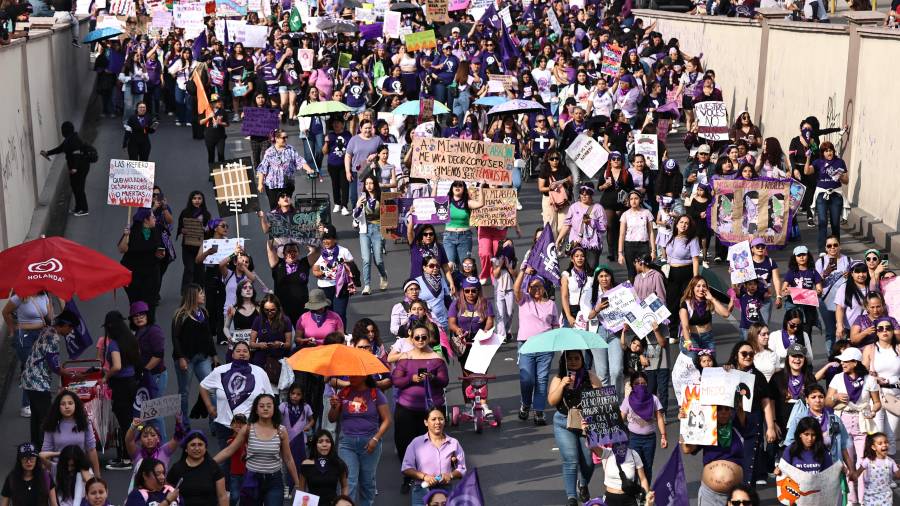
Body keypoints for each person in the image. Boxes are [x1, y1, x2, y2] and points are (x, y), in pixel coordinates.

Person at [391, 322, 450, 493]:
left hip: (431, 408)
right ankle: (409, 476)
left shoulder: (437, 358)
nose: (420, 340)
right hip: (407, 408)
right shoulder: (405, 357)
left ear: (428, 338)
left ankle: (431, 477)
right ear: (412, 338)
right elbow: (397, 381)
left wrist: (431, 377)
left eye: (424, 337)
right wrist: (412, 379)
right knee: (404, 443)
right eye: (417, 337)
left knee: (432, 444)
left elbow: (444, 381)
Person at [213, 393, 302, 505]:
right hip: (252, 479)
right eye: (262, 406)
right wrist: (208, 463)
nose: (265, 408)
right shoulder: (248, 429)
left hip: (274, 481)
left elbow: (288, 459)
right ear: (256, 409)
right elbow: (229, 450)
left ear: (274, 409)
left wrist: (298, 483)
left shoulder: (281, 431)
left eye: (269, 406)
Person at [199, 341, 274, 459]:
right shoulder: (220, 371)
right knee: (225, 462)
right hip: (225, 425)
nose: (242, 354)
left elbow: (269, 398)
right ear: (232, 354)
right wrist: (209, 407)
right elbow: (203, 386)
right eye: (238, 351)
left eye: (245, 351)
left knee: (250, 461)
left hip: (252, 426)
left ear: (249, 355)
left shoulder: (259, 372)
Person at [826, 346, 881, 504]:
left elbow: (877, 403)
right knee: (847, 463)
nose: (842, 363)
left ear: (855, 363)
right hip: (842, 421)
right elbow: (827, 401)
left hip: (862, 423)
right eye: (841, 361)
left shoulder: (869, 380)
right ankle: (851, 499)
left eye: (846, 361)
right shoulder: (837, 378)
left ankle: (864, 499)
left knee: (862, 461)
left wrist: (872, 411)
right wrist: (835, 396)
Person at [547, 350, 602, 505]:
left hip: (586, 424)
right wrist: (562, 385)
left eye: (576, 358)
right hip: (563, 422)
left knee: (589, 463)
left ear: (582, 360)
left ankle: (582, 485)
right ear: (564, 361)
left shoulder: (590, 376)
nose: (573, 361)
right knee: (571, 459)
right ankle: (571, 497)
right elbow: (551, 401)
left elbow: (602, 399)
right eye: (569, 359)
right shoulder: (558, 378)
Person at [328, 373, 391, 506]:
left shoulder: (376, 393)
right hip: (347, 443)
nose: (351, 377)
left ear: (364, 376)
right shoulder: (343, 393)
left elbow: (387, 420)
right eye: (350, 375)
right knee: (349, 481)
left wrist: (375, 438)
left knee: (367, 482)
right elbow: (332, 418)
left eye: (355, 375)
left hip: (370, 443)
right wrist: (334, 407)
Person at [21, 310, 77, 449]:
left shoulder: (48, 330)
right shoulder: (53, 337)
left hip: (29, 379)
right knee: (46, 418)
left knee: (36, 418)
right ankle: (45, 450)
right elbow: (55, 366)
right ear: (65, 325)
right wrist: (71, 375)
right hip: (38, 381)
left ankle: (36, 448)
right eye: (70, 328)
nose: (70, 331)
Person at [680, 393, 748, 505]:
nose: (723, 412)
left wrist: (738, 395)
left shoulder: (737, 426)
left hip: (735, 496)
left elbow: (741, 409)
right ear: (714, 410)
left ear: (731, 411)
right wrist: (685, 424)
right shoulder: (706, 430)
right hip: (709, 495)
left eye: (727, 408)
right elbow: (687, 449)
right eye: (720, 409)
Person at [725, 341, 777, 486]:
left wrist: (771, 427)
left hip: (753, 421)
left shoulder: (758, 376)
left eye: (751, 354)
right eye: (744, 354)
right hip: (730, 421)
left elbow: (765, 403)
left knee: (750, 461)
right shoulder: (726, 372)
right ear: (736, 355)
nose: (748, 356)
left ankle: (748, 493)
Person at [171, 284, 218, 431]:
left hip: (202, 357)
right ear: (193, 296)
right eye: (201, 293)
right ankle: (183, 424)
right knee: (184, 392)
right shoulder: (181, 315)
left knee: (211, 388)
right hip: (187, 358)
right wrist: (181, 358)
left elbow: (208, 335)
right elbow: (175, 338)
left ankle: (215, 422)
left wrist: (214, 354)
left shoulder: (203, 312)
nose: (203, 296)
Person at [99, 310, 141, 471]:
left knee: (124, 421)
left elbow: (116, 366)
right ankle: (132, 453)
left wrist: (106, 377)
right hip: (131, 382)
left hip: (120, 385)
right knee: (131, 419)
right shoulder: (131, 339)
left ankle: (126, 457)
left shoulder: (115, 344)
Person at [401, 407, 467, 506]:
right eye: (433, 419)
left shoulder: (453, 443)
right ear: (426, 422)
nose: (438, 422)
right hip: (422, 490)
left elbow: (462, 469)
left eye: (441, 419)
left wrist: (450, 475)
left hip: (445, 490)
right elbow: (406, 468)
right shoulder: (416, 443)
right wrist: (424, 477)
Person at [2, 290, 52, 418]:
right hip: (25, 336)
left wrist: (51, 302)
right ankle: (26, 405)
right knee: (31, 368)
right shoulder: (20, 296)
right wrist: (13, 330)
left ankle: (40, 401)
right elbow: (5, 312)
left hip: (41, 334)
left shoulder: (44, 295)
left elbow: (49, 317)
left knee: (41, 367)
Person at [39, 391, 101, 477]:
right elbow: (46, 451)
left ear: (76, 405)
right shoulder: (52, 424)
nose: (67, 407)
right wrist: (44, 479)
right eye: (63, 404)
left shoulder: (84, 423)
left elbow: (91, 449)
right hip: (58, 468)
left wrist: (97, 475)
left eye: (70, 403)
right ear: (58, 407)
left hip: (81, 468)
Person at [863, 316, 900, 455]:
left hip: (894, 395)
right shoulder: (870, 349)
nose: (885, 331)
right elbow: (862, 370)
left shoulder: (898, 348)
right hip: (876, 395)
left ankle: (889, 468)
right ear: (876, 332)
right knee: (877, 434)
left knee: (891, 436)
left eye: (888, 328)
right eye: (881, 328)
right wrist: (874, 377)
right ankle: (876, 466)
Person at [804, 141, 848, 253]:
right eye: (826, 151)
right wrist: (808, 158)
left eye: (830, 150)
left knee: (835, 223)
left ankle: (835, 248)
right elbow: (807, 171)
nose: (829, 153)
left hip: (836, 195)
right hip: (822, 194)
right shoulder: (818, 162)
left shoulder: (840, 162)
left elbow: (846, 181)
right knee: (822, 221)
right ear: (822, 153)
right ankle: (822, 249)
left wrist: (840, 176)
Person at [40, 121, 92, 216]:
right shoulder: (70, 139)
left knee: (79, 188)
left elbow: (76, 154)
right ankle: (78, 208)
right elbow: (60, 149)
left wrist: (75, 168)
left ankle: (84, 209)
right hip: (76, 167)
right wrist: (47, 153)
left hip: (80, 168)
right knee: (75, 187)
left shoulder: (73, 140)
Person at [119, 208, 164, 315]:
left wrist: (161, 254)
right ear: (146, 220)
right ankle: (136, 327)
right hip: (134, 276)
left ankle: (149, 326)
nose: (155, 219)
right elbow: (122, 249)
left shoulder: (157, 230)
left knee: (150, 304)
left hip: (151, 275)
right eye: (153, 217)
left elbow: (160, 249)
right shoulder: (132, 231)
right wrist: (126, 235)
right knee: (136, 304)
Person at [256, 128, 314, 209]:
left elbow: (299, 161)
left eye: (286, 137)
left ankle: (286, 221)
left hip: (287, 184)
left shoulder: (290, 149)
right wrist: (260, 184)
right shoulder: (269, 152)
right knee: (275, 208)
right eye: (283, 137)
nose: (285, 139)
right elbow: (262, 168)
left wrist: (309, 169)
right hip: (273, 186)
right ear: (276, 139)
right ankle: (276, 221)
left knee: (286, 207)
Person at [166, 431, 228, 506]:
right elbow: (166, 491)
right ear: (186, 448)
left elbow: (222, 496)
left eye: (200, 445)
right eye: (193, 445)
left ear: (205, 448)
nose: (197, 448)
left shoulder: (213, 467)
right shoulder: (177, 468)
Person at [591, 434, 655, 506]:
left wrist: (646, 497)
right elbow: (592, 445)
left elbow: (643, 479)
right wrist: (587, 432)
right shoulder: (607, 453)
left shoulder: (633, 454)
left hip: (629, 499)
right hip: (610, 499)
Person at [313, 225, 358, 325]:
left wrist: (344, 269)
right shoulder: (321, 252)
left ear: (334, 239)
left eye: (328, 238)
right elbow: (314, 269)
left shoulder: (344, 251)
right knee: (327, 314)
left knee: (340, 313)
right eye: (323, 239)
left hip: (341, 286)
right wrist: (321, 273)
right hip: (324, 287)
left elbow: (353, 269)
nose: (325, 241)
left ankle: (342, 336)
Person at [266, 239, 319, 324]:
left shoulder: (304, 263)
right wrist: (271, 233)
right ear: (283, 254)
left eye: (294, 251)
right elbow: (270, 248)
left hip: (301, 310)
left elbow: (317, 252)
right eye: (288, 251)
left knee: (300, 335)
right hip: (282, 310)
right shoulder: (277, 264)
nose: (291, 253)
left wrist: (316, 236)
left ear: (298, 253)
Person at [556, 182, 607, 269]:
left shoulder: (598, 208)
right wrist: (558, 240)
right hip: (576, 242)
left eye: (586, 194)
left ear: (591, 195)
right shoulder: (574, 207)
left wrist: (591, 222)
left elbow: (603, 228)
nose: (583, 196)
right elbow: (567, 225)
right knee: (576, 268)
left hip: (592, 244)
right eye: (581, 194)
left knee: (591, 268)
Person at [679, 276, 732, 357]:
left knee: (711, 363)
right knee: (694, 361)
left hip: (708, 338)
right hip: (692, 338)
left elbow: (726, 314)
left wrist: (712, 299)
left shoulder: (709, 302)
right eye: (698, 286)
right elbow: (685, 326)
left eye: (704, 286)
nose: (701, 289)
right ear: (692, 288)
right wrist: (687, 341)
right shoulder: (686, 303)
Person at [354, 174, 389, 294]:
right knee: (366, 259)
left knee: (378, 259)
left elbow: (390, 213)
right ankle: (367, 285)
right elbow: (356, 216)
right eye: (366, 183)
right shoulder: (362, 198)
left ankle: (383, 275)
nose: (369, 186)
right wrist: (358, 205)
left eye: (371, 183)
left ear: (375, 184)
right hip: (365, 229)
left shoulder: (381, 197)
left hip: (378, 229)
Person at [780, 245, 823, 340]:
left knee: (806, 334)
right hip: (794, 307)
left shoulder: (813, 272)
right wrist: (788, 291)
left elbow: (819, 289)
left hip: (808, 308)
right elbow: (783, 290)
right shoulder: (791, 272)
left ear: (808, 256)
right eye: (799, 255)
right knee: (793, 333)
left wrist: (817, 292)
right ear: (794, 258)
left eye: (804, 255)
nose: (802, 257)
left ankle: (807, 353)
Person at [298, 430, 348, 504]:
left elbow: (345, 486)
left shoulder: (338, 464)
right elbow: (301, 489)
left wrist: (343, 502)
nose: (324, 444)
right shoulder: (306, 464)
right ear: (315, 444)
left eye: (328, 441)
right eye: (320, 441)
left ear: (331, 444)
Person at [848, 432, 900, 504]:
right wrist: (853, 476)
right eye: (880, 443)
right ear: (873, 447)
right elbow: (857, 473)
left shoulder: (891, 462)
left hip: (886, 497)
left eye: (886, 442)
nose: (884, 445)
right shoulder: (868, 461)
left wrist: (898, 469)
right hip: (870, 497)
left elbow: (898, 475)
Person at [281, 383, 315, 490]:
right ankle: (286, 487)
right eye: (293, 393)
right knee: (285, 465)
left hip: (301, 441)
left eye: (298, 394)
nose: (295, 396)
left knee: (300, 464)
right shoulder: (284, 406)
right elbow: (276, 417)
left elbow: (312, 420)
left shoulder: (306, 407)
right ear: (289, 394)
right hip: (286, 441)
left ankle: (298, 488)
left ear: (302, 396)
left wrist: (308, 426)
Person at [176, 191, 212, 288]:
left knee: (199, 271)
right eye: (194, 198)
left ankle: (199, 292)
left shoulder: (206, 214)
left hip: (200, 247)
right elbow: (180, 226)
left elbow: (210, 230)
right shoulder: (185, 212)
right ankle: (186, 291)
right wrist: (182, 230)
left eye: (199, 198)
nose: (197, 200)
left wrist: (207, 230)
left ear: (202, 200)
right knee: (189, 269)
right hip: (187, 246)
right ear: (191, 200)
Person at [617, 191, 656, 281]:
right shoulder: (625, 215)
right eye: (631, 199)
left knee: (645, 271)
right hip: (630, 246)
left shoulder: (646, 213)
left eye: (636, 198)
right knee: (632, 273)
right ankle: (634, 293)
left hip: (643, 245)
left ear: (640, 199)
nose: (633, 201)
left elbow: (651, 232)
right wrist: (620, 253)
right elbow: (622, 234)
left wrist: (653, 250)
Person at [414, 257, 451, 331]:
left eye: (437, 266)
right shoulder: (417, 282)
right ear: (424, 267)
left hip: (442, 323)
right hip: (425, 324)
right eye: (431, 266)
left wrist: (453, 316)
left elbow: (448, 301)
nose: (435, 268)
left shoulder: (442, 280)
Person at [203, 95, 229, 164]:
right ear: (212, 103)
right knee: (211, 156)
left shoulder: (223, 111)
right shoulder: (206, 111)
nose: (220, 102)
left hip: (220, 137)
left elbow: (227, 124)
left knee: (221, 155)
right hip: (209, 137)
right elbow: (200, 122)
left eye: (220, 101)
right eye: (218, 101)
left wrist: (220, 123)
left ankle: (222, 172)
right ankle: (212, 173)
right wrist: (208, 117)